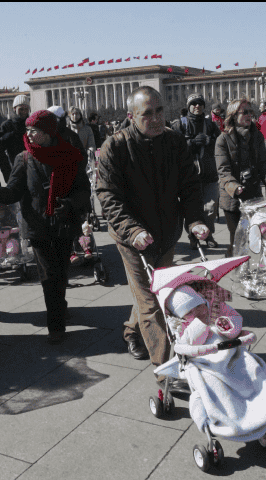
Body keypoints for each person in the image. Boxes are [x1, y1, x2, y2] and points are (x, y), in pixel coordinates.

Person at [95, 86, 208, 384]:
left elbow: (190, 186)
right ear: (132, 116)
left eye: (160, 111)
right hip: (131, 236)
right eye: (148, 113)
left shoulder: (174, 141)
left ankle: (132, 332)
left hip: (166, 232)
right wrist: (132, 231)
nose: (157, 118)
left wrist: (195, 220)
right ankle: (168, 370)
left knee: (150, 290)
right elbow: (108, 197)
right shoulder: (114, 147)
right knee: (153, 301)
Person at [0, 110, 90, 344]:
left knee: (60, 274)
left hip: (64, 224)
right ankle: (56, 326)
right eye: (28, 130)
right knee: (48, 276)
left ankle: (59, 308)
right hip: (38, 225)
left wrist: (70, 204)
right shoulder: (23, 158)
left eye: (35, 130)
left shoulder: (70, 155)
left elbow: (84, 190)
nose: (29, 134)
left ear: (49, 132)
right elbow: (13, 191)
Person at [217, 98, 266, 257]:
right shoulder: (223, 139)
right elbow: (223, 171)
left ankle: (251, 267)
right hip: (233, 197)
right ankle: (232, 264)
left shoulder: (257, 136)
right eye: (244, 112)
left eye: (250, 111)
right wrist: (234, 186)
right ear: (233, 115)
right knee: (237, 237)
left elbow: (263, 165)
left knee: (255, 235)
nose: (249, 115)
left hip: (253, 194)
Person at [172, 93, 220, 249]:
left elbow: (220, 144)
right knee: (192, 209)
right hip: (189, 175)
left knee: (211, 209)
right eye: (193, 103)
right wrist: (190, 143)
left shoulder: (211, 125)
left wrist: (210, 141)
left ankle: (208, 234)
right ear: (188, 107)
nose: (197, 106)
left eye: (200, 103)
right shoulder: (180, 125)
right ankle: (194, 237)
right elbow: (173, 147)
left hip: (209, 173)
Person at [0, 95, 30, 167]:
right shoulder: (7, 125)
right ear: (15, 108)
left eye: (26, 109)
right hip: (14, 162)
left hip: (30, 161)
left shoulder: (31, 123)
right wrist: (10, 135)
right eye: (21, 109)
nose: (24, 112)